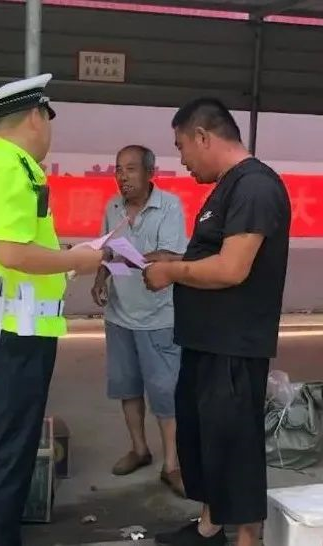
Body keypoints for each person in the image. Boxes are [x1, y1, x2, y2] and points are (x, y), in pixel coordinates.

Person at [0, 73, 103, 546]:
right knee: (10, 448)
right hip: (14, 330)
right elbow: (12, 253)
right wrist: (77, 260)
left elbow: (16, 248)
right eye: (49, 118)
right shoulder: (11, 166)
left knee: (2, 444)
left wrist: (63, 259)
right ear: (36, 117)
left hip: (6, 324)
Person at [143, 98, 291, 546]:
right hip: (206, 340)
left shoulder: (255, 186)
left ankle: (248, 536)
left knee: (234, 444)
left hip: (234, 344)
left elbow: (231, 268)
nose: (182, 160)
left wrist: (171, 272)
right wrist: (172, 259)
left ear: (203, 136)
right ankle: (209, 527)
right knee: (205, 439)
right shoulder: (228, 187)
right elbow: (212, 255)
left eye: (181, 147)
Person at [91, 145, 187, 495]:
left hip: (159, 316)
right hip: (120, 315)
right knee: (127, 386)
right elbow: (107, 251)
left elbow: (172, 256)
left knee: (165, 392)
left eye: (130, 169)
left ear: (150, 173)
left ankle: (172, 464)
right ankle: (139, 449)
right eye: (118, 169)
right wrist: (101, 279)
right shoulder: (112, 208)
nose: (122, 176)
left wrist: (129, 259)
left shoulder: (170, 206)